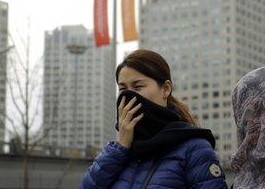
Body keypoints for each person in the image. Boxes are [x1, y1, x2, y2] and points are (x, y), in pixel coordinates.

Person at [80, 49, 228, 189]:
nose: (129, 96)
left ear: (165, 89)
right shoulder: (119, 152)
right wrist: (121, 147)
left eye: (138, 87)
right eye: (123, 89)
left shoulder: (194, 149)